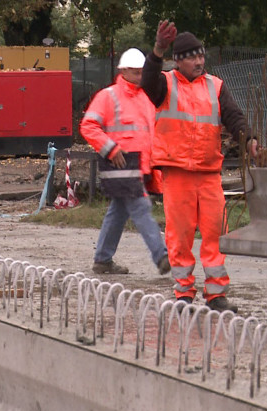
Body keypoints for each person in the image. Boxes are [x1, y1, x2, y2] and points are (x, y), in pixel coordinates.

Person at [141, 21, 259, 313]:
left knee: (216, 234)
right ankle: (183, 292)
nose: (199, 61)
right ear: (178, 60)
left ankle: (216, 293)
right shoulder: (164, 83)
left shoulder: (215, 86)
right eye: (193, 56)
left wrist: (249, 139)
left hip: (208, 174)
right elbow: (146, 82)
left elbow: (234, 118)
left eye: (201, 55)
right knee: (179, 236)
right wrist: (157, 51)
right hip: (177, 173)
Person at [80, 48, 171, 276]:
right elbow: (88, 126)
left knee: (118, 212)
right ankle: (161, 256)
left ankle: (102, 260)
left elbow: (149, 135)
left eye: (142, 72)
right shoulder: (108, 96)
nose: (141, 77)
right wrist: (110, 148)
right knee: (141, 209)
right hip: (120, 166)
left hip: (137, 166)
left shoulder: (145, 99)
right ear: (124, 71)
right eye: (136, 72)